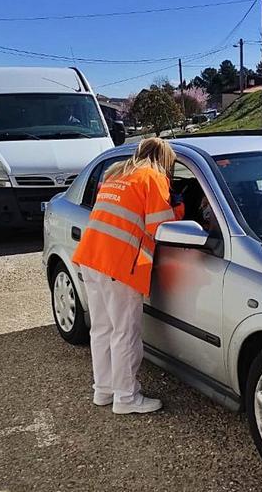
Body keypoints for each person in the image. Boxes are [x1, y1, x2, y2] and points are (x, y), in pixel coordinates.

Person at [72, 137, 183, 415]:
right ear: (164, 160)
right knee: (125, 333)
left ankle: (104, 390)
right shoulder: (152, 177)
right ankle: (126, 397)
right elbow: (161, 226)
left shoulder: (117, 175)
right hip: (119, 265)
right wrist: (180, 208)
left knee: (101, 329)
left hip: (91, 258)